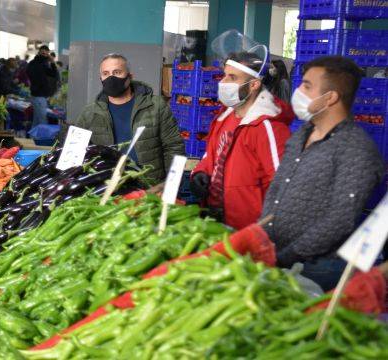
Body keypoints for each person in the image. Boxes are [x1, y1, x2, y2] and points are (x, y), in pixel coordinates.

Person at [260, 56, 384, 291]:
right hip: (277, 256)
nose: (298, 91)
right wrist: (263, 238)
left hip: (319, 269)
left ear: (331, 97)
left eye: (307, 86)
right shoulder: (301, 135)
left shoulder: (356, 149)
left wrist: (286, 256)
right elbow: (277, 188)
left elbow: (340, 219)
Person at [191, 52, 293, 230]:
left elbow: (282, 185)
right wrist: (200, 173)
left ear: (254, 84)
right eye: (224, 75)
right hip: (214, 220)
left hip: (245, 228)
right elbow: (210, 157)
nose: (223, 82)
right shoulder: (225, 117)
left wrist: (263, 231)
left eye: (232, 77)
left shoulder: (268, 127)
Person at [61, 53, 185, 182]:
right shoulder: (89, 113)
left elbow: (174, 147)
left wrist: (170, 186)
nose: (111, 78)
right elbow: (75, 157)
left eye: (117, 72)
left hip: (149, 187)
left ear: (129, 77)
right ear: (101, 78)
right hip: (107, 189)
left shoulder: (156, 106)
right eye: (105, 73)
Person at [27, 45, 59, 126]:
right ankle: (41, 137)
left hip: (40, 95)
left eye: (46, 54)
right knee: (42, 120)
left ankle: (33, 137)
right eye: (43, 53)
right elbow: (34, 76)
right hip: (38, 95)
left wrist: (52, 63)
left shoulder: (43, 63)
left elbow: (53, 74)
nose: (44, 56)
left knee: (37, 120)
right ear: (39, 53)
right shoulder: (35, 63)